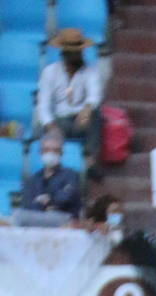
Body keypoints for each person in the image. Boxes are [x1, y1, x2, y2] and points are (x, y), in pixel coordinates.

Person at [36, 28, 102, 161]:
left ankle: (90, 161)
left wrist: (87, 108)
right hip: (60, 121)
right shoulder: (49, 72)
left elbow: (95, 94)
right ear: (64, 53)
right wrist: (51, 126)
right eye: (73, 53)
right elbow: (43, 106)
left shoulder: (91, 71)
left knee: (96, 115)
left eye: (79, 52)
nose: (77, 55)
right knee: (49, 131)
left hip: (82, 118)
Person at [20, 129, 82, 221]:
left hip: (63, 224)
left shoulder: (71, 175)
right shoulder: (32, 180)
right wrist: (49, 205)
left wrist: (48, 200)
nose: (51, 154)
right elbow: (27, 205)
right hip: (36, 224)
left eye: (55, 150)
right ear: (40, 152)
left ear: (61, 153)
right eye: (47, 150)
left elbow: (66, 198)